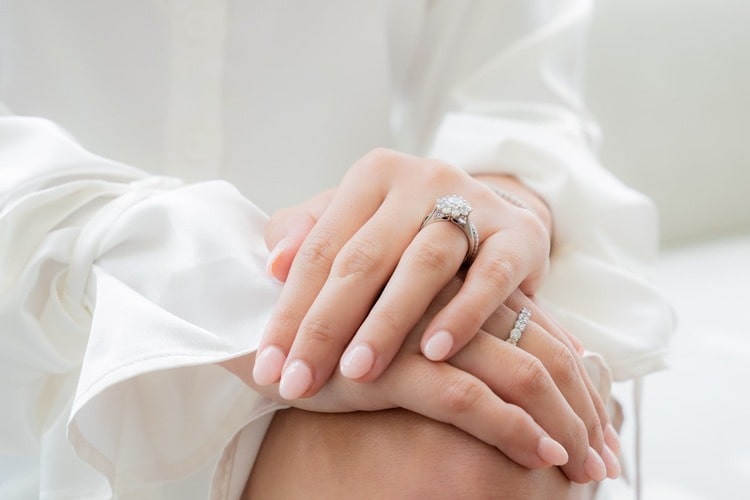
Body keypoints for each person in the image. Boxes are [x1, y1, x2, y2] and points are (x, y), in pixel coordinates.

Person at [0, 1, 673, 498]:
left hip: (357, 347)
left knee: (482, 449)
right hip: (30, 355)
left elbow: (519, 99)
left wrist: (481, 228)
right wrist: (243, 300)